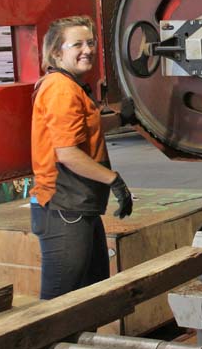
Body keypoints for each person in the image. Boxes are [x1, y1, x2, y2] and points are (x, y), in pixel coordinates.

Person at [30, 15, 135, 300]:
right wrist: (114, 181)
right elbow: (67, 153)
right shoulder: (60, 88)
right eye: (77, 44)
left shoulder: (72, 86)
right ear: (56, 52)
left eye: (90, 43)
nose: (87, 50)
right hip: (63, 208)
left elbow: (86, 126)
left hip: (80, 206)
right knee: (59, 302)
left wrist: (121, 119)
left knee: (91, 294)